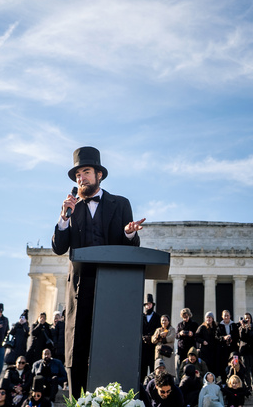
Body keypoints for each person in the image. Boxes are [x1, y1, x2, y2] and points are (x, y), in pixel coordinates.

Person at [51, 146, 144, 397]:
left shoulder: (120, 204)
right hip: (81, 288)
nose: (82, 178)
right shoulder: (72, 209)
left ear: (99, 175)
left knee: (110, 343)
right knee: (77, 348)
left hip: (112, 285)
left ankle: (113, 397)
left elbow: (130, 246)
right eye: (78, 174)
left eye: (86, 172)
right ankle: (79, 400)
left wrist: (129, 233)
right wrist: (63, 218)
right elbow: (59, 248)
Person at [143, 296, 162, 382]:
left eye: (150, 304)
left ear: (152, 305)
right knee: (142, 368)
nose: (148, 306)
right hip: (143, 347)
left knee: (152, 367)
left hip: (153, 346)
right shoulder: (141, 316)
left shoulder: (157, 317)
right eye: (147, 304)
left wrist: (150, 336)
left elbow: (158, 329)